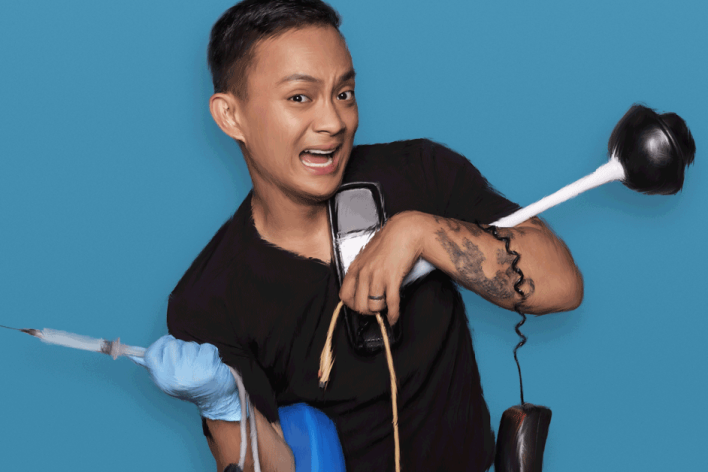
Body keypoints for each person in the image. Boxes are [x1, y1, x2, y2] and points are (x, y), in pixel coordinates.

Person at [159, 0, 584, 471]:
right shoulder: (207, 301)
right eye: (300, 98)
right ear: (230, 116)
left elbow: (562, 285)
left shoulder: (420, 173)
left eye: (344, 93)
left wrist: (420, 232)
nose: (333, 122)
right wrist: (223, 403)